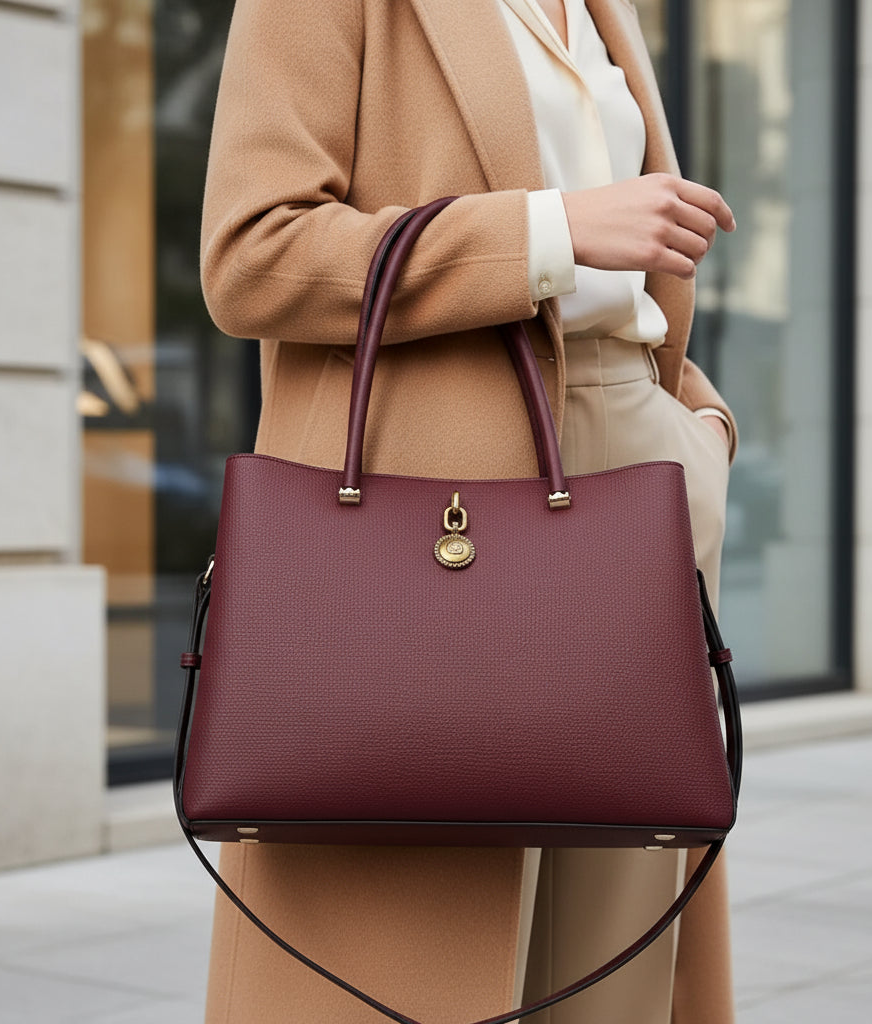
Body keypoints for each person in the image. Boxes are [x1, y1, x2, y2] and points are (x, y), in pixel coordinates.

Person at [198, 1, 738, 1022]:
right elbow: (251, 255)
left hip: (639, 487)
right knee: (419, 950)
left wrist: (695, 428)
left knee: (612, 961)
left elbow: (634, 289)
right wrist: (549, 228)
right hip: (431, 498)